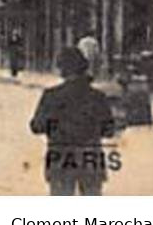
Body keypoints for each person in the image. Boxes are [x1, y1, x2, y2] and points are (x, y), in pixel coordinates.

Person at [30, 46, 116, 196]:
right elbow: (109, 130)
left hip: (60, 160)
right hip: (90, 160)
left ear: (62, 69)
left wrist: (55, 126)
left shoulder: (51, 96)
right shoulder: (97, 97)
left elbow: (36, 126)